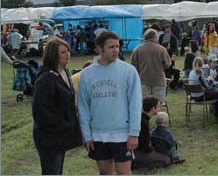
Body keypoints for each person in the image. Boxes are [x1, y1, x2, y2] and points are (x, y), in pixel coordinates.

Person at [77, 31, 142, 176]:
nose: (116, 50)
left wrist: (134, 133)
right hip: (98, 135)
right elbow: (83, 107)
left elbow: (136, 104)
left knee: (124, 172)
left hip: (122, 134)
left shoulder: (129, 71)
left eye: (117, 46)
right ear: (99, 49)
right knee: (105, 172)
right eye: (111, 47)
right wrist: (86, 135)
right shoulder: (87, 74)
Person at [32, 37, 82, 175]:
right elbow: (39, 111)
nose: (68, 54)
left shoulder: (65, 72)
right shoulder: (46, 78)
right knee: (51, 171)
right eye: (63, 52)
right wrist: (62, 123)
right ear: (53, 55)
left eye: (68, 51)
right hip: (49, 136)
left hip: (60, 134)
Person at [131, 29, 171, 103]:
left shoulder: (137, 49)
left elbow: (133, 66)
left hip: (143, 80)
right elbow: (167, 65)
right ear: (155, 37)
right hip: (159, 80)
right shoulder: (162, 49)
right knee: (158, 104)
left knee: (145, 104)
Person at [132, 96, 171, 170]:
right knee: (166, 160)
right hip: (138, 152)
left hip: (136, 151)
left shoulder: (142, 118)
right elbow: (145, 147)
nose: (160, 108)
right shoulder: (144, 123)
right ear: (153, 108)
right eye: (158, 106)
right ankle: (138, 165)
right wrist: (153, 151)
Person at [159, 26, 180, 90]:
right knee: (168, 71)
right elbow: (158, 44)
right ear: (165, 29)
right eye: (166, 28)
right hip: (162, 57)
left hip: (170, 55)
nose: (167, 30)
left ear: (170, 29)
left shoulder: (173, 37)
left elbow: (175, 48)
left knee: (172, 69)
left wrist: (173, 54)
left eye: (169, 28)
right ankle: (171, 84)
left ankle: (173, 85)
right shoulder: (161, 36)